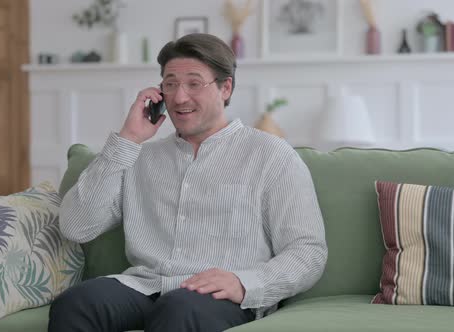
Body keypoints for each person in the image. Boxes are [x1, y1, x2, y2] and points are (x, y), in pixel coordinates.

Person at [50, 33, 327, 332]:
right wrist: (128, 138)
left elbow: (307, 251)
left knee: (179, 309)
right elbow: (76, 226)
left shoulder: (271, 155)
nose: (180, 98)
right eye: (170, 84)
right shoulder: (138, 157)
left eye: (194, 83)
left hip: (222, 296)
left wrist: (244, 283)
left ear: (226, 87)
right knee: (76, 303)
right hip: (147, 286)